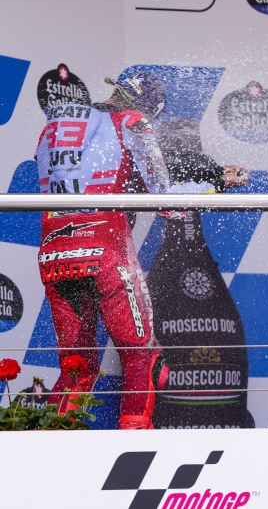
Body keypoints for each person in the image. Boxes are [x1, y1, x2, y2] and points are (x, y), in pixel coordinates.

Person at [35, 72, 174, 429]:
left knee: (76, 364)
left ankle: (53, 442)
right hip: (106, 247)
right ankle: (135, 445)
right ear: (149, 107)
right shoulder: (134, 121)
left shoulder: (53, 128)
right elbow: (163, 195)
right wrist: (216, 183)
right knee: (144, 356)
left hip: (54, 250)